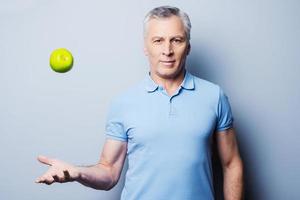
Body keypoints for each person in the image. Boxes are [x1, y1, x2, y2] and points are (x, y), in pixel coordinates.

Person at [36, 6, 244, 200]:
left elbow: (231, 163)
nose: (167, 50)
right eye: (158, 41)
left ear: (188, 46)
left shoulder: (213, 96)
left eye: (176, 40)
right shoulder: (124, 103)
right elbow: (109, 171)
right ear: (146, 47)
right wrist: (76, 172)